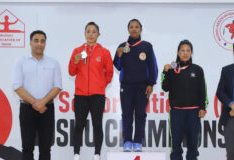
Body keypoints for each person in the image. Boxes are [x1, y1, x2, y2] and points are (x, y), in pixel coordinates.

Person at [12, 30, 62, 160]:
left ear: (45, 43)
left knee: (45, 148)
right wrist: (35, 103)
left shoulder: (53, 63)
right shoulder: (20, 61)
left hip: (47, 109)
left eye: (42, 41)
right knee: (27, 147)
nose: (39, 44)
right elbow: (17, 86)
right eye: (36, 40)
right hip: (27, 109)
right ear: (30, 43)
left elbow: (57, 86)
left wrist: (42, 102)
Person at [68, 22, 113, 160]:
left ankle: (97, 154)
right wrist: (75, 61)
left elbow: (109, 73)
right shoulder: (77, 51)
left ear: (98, 34)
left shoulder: (104, 52)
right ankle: (76, 154)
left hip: (97, 95)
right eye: (88, 31)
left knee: (97, 124)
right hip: (81, 95)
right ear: (84, 34)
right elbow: (71, 72)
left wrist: (100, 86)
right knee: (79, 125)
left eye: (94, 32)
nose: (91, 34)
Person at [113, 19, 158, 152]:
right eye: (131, 27)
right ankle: (127, 141)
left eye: (137, 27)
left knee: (140, 114)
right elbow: (117, 65)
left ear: (140, 29)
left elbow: (153, 66)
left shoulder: (147, 46)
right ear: (128, 29)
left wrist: (151, 83)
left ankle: (138, 141)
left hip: (142, 86)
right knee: (126, 114)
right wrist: (119, 55)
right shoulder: (122, 46)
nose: (134, 29)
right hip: (126, 86)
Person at [161, 40, 207, 160]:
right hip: (177, 112)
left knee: (193, 145)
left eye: (188, 50)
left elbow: (203, 90)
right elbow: (165, 88)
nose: (185, 53)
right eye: (182, 50)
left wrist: (203, 107)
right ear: (178, 52)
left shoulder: (198, 69)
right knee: (175, 145)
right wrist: (165, 72)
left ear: (191, 53)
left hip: (194, 112)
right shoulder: (171, 69)